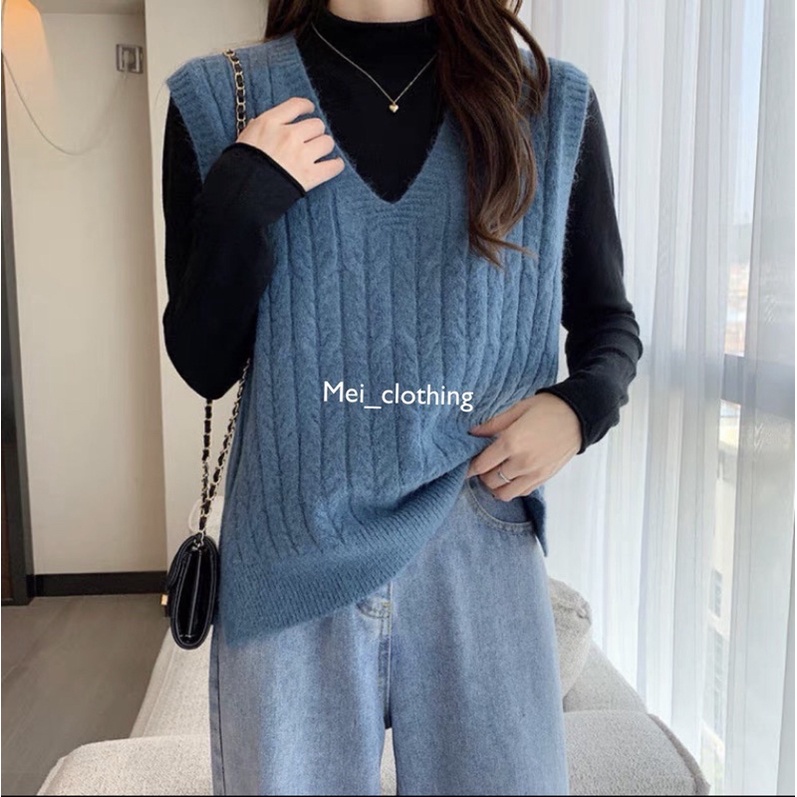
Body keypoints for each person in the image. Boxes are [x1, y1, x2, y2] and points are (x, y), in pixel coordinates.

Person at [162, 1, 643, 794]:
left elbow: (608, 323)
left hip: (478, 541)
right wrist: (238, 201)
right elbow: (203, 364)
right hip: (291, 551)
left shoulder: (548, 105)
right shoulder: (224, 98)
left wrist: (577, 409)